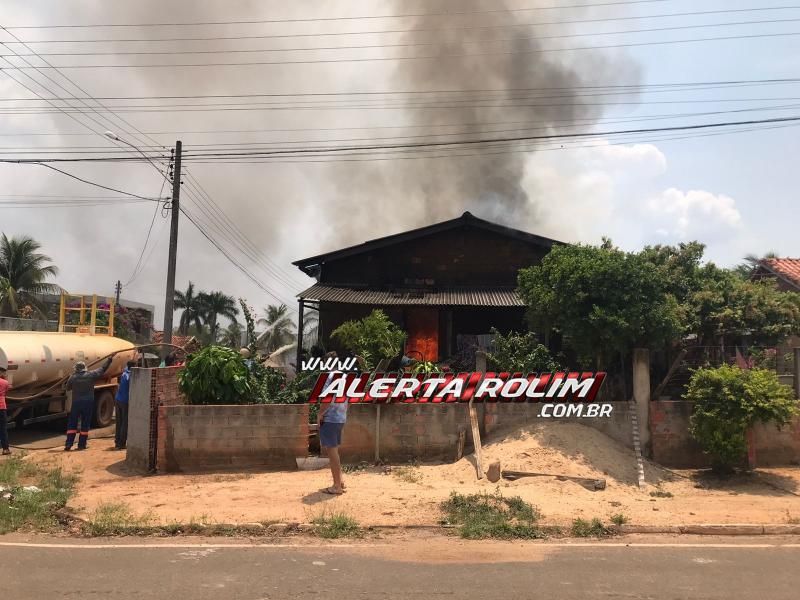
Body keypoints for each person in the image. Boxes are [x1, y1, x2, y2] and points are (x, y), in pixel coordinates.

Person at [64, 357, 113, 451]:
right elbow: (102, 369)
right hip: (88, 403)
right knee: (85, 423)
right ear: (84, 368)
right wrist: (109, 360)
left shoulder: (73, 377)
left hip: (76, 403)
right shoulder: (91, 375)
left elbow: (67, 388)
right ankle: (81, 445)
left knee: (72, 424)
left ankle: (68, 444)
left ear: (76, 369)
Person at [114, 360, 135, 451]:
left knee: (119, 422)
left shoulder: (124, 373)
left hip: (118, 399)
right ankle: (122, 443)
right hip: (125, 402)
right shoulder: (131, 376)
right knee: (124, 423)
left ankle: (117, 441)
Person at [0, 367, 12, 455]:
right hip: (2, 407)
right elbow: (7, 390)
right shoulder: (5, 382)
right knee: (3, 428)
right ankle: (5, 449)